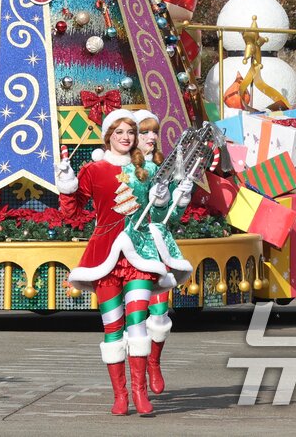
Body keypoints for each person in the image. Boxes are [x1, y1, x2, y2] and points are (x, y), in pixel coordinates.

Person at [56, 110, 186, 416]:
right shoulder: (93, 170)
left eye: (130, 132)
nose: (126, 137)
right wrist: (67, 185)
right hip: (104, 255)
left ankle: (140, 393)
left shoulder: (149, 169)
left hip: (140, 254)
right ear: (108, 137)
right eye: (119, 133)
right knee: (112, 329)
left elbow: (165, 220)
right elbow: (72, 216)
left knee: (137, 323)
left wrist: (170, 199)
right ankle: (120, 395)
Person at [133, 110, 181, 396]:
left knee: (160, 312)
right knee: (134, 316)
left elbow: (172, 216)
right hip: (130, 245)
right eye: (145, 132)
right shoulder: (125, 167)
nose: (152, 137)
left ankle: (154, 361)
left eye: (154, 132)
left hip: (157, 246)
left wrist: (179, 196)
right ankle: (133, 385)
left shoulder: (164, 166)